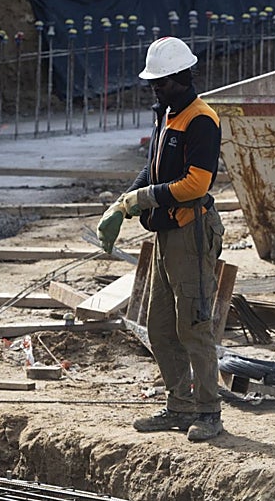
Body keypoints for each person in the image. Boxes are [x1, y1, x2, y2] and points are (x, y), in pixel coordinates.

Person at [96, 36, 226, 442]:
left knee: (194, 325)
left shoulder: (200, 120)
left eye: (162, 81)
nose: (155, 88)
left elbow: (196, 183)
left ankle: (208, 412)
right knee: (160, 326)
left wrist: (143, 198)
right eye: (153, 82)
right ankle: (179, 406)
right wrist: (122, 203)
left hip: (191, 232)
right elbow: (152, 170)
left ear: (183, 77)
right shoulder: (166, 116)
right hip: (166, 235)